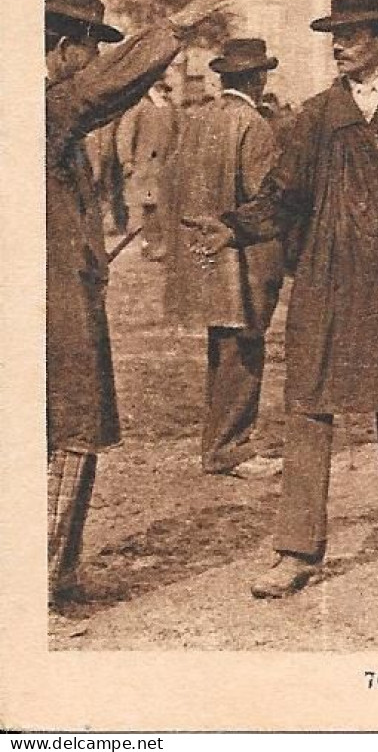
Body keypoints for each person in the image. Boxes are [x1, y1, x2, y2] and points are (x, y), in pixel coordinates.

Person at [182, 0, 378, 599]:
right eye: (335, 35)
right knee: (308, 405)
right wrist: (233, 227)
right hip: (327, 279)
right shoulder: (317, 115)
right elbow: (285, 195)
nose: (339, 46)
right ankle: (296, 550)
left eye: (351, 35)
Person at [46, 0, 234, 607]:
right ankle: (45, 576)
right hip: (50, 300)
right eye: (90, 46)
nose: (94, 61)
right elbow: (102, 91)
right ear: (65, 46)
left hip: (56, 288)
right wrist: (181, 24)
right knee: (72, 421)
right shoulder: (43, 106)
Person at [163, 38, 287, 480]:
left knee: (223, 350)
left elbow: (172, 181)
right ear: (257, 78)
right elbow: (262, 198)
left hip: (204, 252)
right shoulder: (252, 124)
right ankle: (230, 447)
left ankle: (218, 443)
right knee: (244, 350)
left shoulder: (197, 118)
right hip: (243, 254)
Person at [117, 77, 180, 259]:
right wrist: (127, 160)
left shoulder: (170, 108)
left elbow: (178, 133)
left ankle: (162, 245)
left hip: (166, 165)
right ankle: (149, 245)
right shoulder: (139, 107)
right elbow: (125, 134)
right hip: (145, 166)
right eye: (158, 88)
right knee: (148, 208)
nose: (162, 92)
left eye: (163, 89)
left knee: (164, 206)